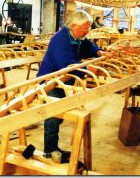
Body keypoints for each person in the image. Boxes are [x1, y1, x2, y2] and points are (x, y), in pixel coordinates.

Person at [37, 10, 107, 163]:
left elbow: (89, 46)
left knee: (59, 115)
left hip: (64, 80)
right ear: (74, 25)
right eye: (85, 28)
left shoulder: (77, 37)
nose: (87, 31)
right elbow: (66, 65)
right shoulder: (60, 40)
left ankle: (53, 147)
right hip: (51, 81)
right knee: (53, 117)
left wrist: (99, 51)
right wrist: (88, 69)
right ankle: (49, 150)